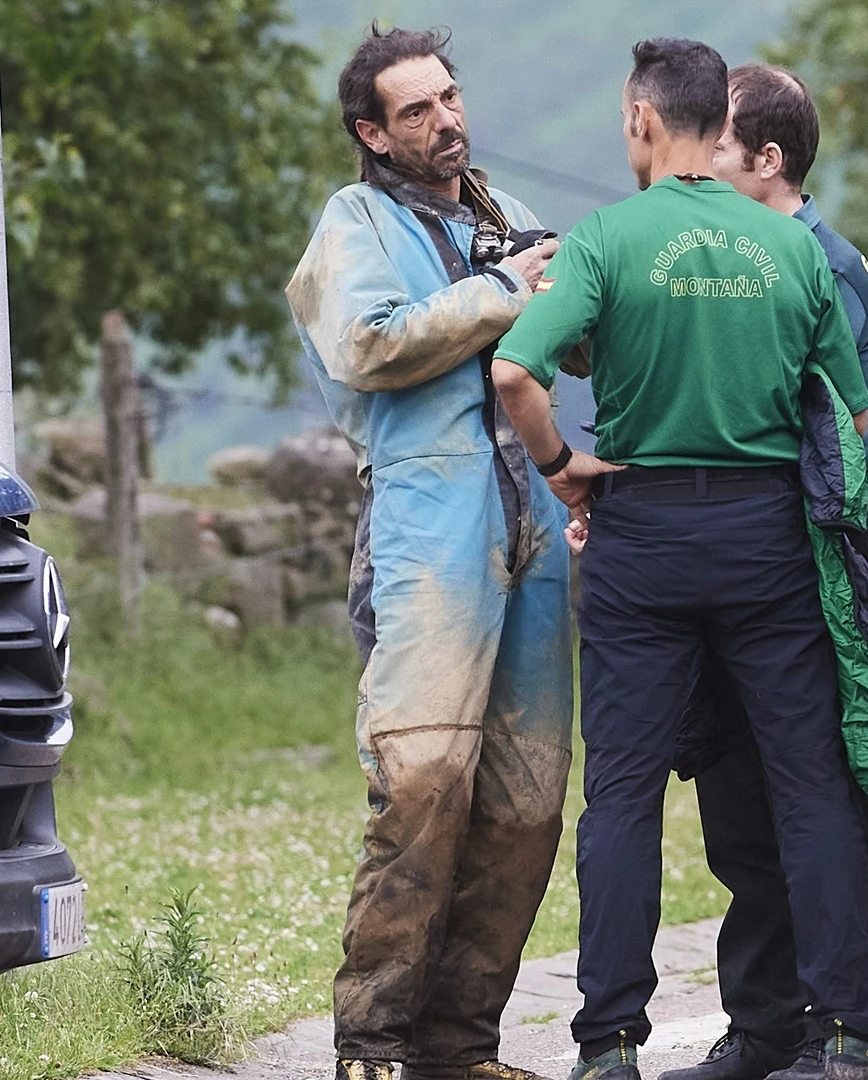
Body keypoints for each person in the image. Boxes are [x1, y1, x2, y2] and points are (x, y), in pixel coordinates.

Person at [490, 38, 868, 1080]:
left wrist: (563, 468)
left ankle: (607, 1047)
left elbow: (513, 374)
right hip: (770, 539)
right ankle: (857, 1035)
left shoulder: (604, 242)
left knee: (624, 795)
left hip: (642, 538)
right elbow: (848, 412)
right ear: (712, 126)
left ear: (642, 119)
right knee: (809, 785)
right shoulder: (794, 249)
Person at [285, 26, 572, 1080]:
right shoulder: (352, 222)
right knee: (422, 781)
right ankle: (373, 1042)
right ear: (374, 132)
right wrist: (510, 293)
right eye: (417, 110)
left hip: (532, 525)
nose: (446, 120)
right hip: (424, 520)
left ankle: (461, 1048)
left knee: (527, 799)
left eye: (449, 98)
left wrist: (579, 287)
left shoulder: (511, 219)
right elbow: (366, 344)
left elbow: (579, 335)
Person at [656, 63, 868, 1080]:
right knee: (737, 805)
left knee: (823, 805)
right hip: (722, 563)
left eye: (714, 147)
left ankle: (854, 1028)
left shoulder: (825, 266)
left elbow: (836, 432)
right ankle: (764, 1023)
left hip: (807, 568)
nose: (697, 166)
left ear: (767, 159)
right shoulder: (718, 255)